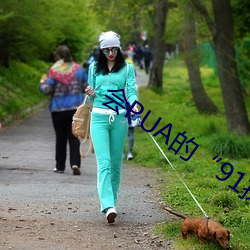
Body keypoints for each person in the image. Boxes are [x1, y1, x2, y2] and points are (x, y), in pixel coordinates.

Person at [85, 31, 138, 223]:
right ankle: (107, 205)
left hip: (120, 119)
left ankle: (112, 201)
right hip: (98, 118)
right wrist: (90, 92)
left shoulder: (127, 68)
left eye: (114, 49)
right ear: (101, 50)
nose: (110, 53)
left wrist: (135, 108)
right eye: (106, 50)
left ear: (119, 48)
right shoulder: (93, 68)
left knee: (116, 164)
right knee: (104, 163)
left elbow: (131, 92)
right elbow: (91, 97)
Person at [39, 45, 88, 175]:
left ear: (58, 57)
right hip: (75, 109)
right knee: (74, 137)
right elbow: (86, 87)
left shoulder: (54, 71)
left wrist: (42, 83)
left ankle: (60, 166)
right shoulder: (79, 70)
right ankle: (75, 163)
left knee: (60, 138)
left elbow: (47, 90)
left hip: (58, 109)